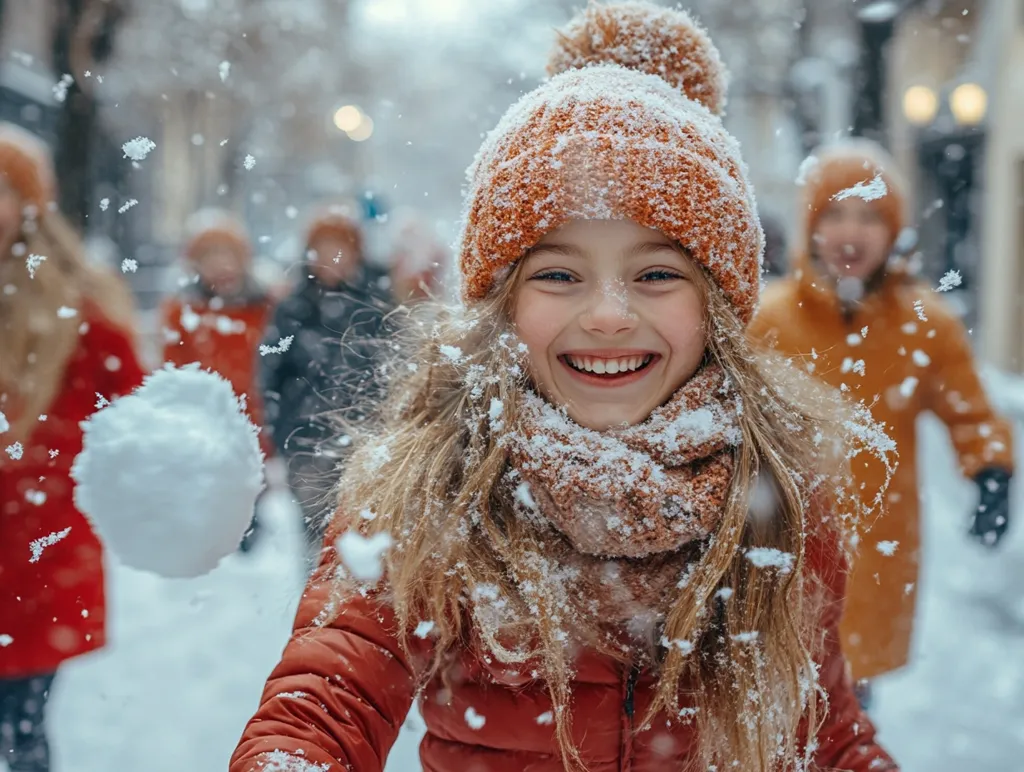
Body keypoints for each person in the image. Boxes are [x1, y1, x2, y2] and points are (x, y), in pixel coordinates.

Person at [231, 4, 898, 771]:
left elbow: (824, 725)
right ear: (503, 303)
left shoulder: (776, 493)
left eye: (656, 275)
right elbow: (331, 692)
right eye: (558, 275)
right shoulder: (429, 484)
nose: (609, 315)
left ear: (716, 308)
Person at [750, 138, 1014, 707]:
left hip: (877, 543)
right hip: (781, 540)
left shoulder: (923, 324)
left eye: (870, 216)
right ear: (811, 226)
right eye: (835, 214)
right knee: (774, 702)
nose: (852, 232)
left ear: (894, 230)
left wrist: (991, 470)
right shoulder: (770, 320)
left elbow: (969, 409)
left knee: (848, 699)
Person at [0, 122, 145, 771]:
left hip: (34, 559)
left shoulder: (79, 309)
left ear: (28, 207)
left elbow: (135, 419)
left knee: (21, 735)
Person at [259, 204, 391, 562]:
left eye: (340, 248)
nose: (332, 258)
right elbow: (271, 373)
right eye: (323, 249)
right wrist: (281, 430)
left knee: (365, 535)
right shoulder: (292, 308)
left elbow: (396, 368)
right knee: (316, 537)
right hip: (307, 442)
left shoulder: (377, 305)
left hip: (366, 442)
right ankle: (316, 611)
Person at [160, 209, 273, 551]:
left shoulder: (266, 307)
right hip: (205, 421)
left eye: (228, 255)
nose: (221, 265)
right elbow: (172, 370)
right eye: (210, 256)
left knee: (250, 497)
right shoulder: (182, 311)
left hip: (255, 417)